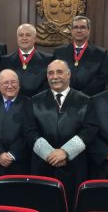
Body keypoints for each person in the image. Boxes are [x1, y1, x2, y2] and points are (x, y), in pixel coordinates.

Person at [24, 59, 97, 206]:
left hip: (74, 166)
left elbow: (90, 129)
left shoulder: (86, 101)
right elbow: (29, 131)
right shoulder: (34, 101)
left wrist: (65, 152)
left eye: (59, 72)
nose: (55, 76)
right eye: (50, 73)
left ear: (69, 74)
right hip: (43, 166)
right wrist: (50, 154)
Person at [0, 69, 33, 199]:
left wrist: (12, 154)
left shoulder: (30, 104)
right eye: (5, 83)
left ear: (19, 84)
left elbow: (30, 133)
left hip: (19, 164)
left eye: (13, 82)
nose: (10, 86)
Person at [53, 15, 108, 96]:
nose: (79, 30)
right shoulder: (59, 52)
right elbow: (54, 75)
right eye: (75, 27)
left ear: (88, 30)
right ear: (71, 30)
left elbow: (101, 79)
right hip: (64, 97)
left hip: (90, 98)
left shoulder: (100, 53)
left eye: (82, 27)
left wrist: (82, 95)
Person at [0, 23, 53, 97]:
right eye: (21, 35)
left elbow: (49, 86)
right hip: (15, 104)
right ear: (17, 38)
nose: (24, 38)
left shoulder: (48, 60)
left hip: (38, 104)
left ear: (35, 38)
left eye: (28, 35)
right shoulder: (5, 60)